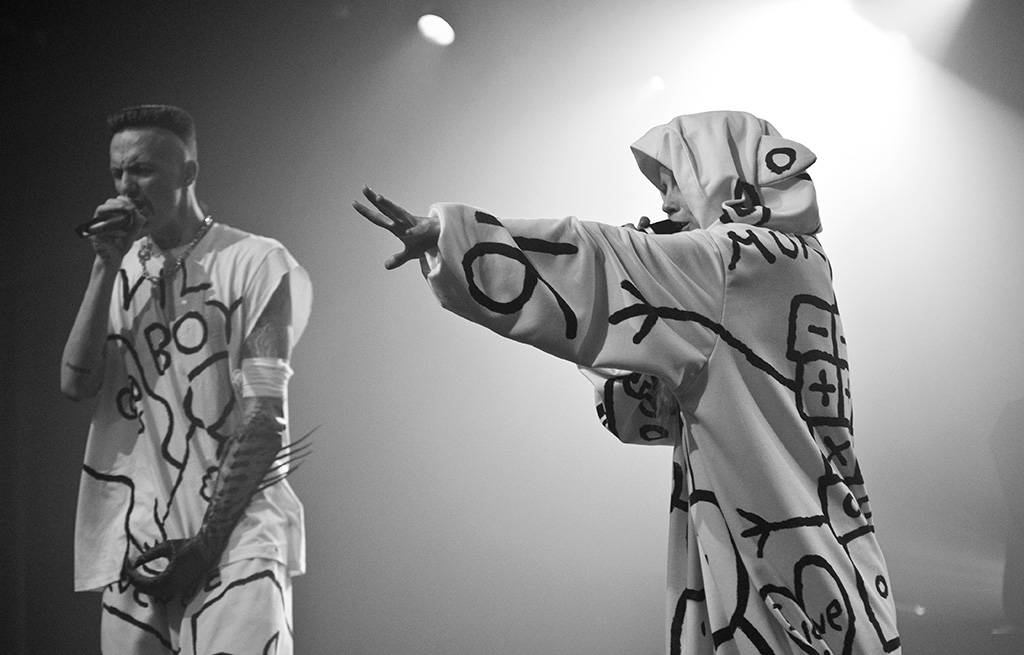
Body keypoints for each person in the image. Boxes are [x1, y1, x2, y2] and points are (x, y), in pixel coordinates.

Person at [355, 110, 901, 654]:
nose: (665, 204)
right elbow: (648, 414)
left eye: (674, 182)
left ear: (719, 172)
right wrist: (641, 328)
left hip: (780, 561)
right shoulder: (798, 260)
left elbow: (601, 258)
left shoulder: (739, 260)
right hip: (821, 545)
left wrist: (458, 238)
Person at [61, 104, 312, 654]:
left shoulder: (255, 260)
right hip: (135, 541)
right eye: (118, 173)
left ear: (189, 173)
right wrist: (104, 265)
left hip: (237, 538)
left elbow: (265, 417)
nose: (126, 188)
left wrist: (204, 545)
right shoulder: (120, 267)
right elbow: (76, 384)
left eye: (143, 170)